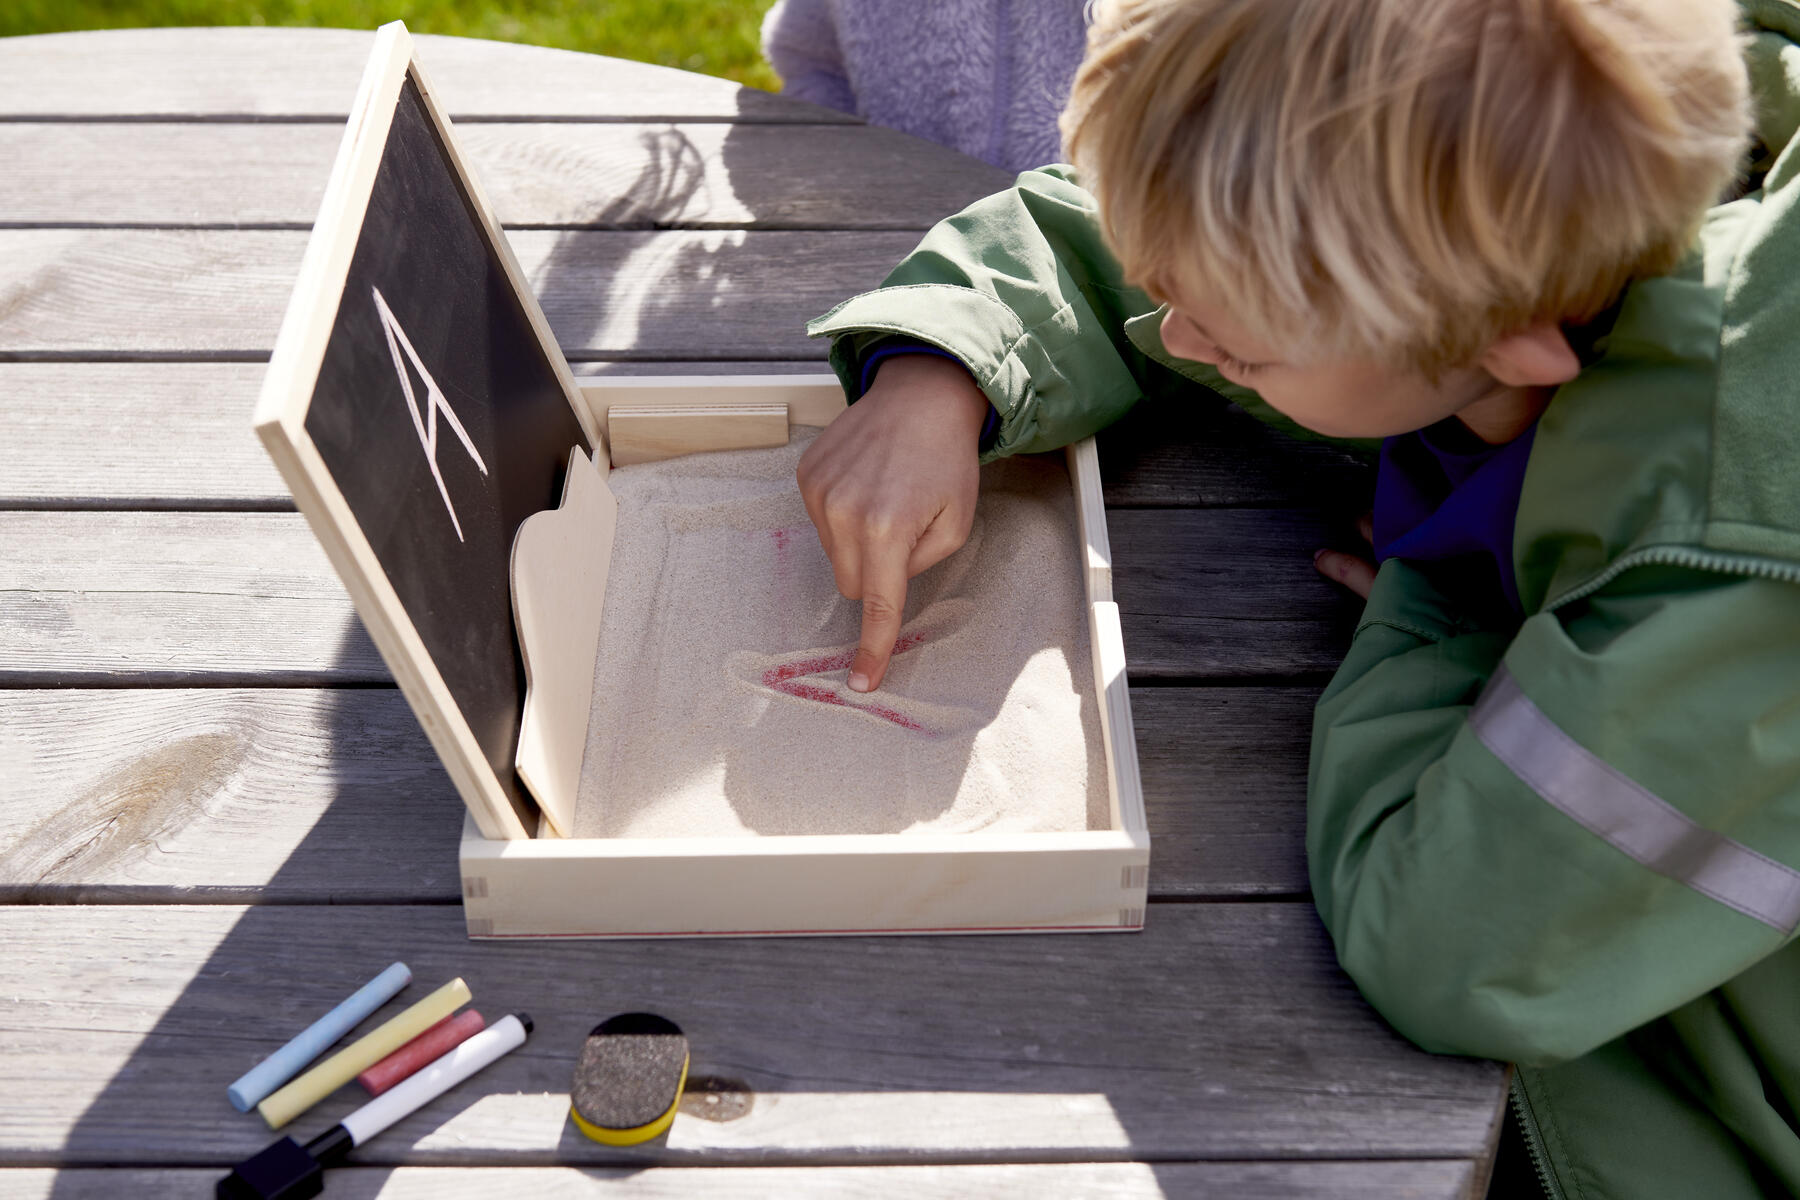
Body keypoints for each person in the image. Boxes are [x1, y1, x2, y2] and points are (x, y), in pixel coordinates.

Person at [793, 0, 1800, 1196]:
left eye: (1240, 351)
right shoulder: (1462, 218)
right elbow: (1144, 232)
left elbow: (1449, 951)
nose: (1176, 332)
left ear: (1514, 347)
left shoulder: (1718, 571)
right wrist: (941, 368)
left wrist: (1444, 609)